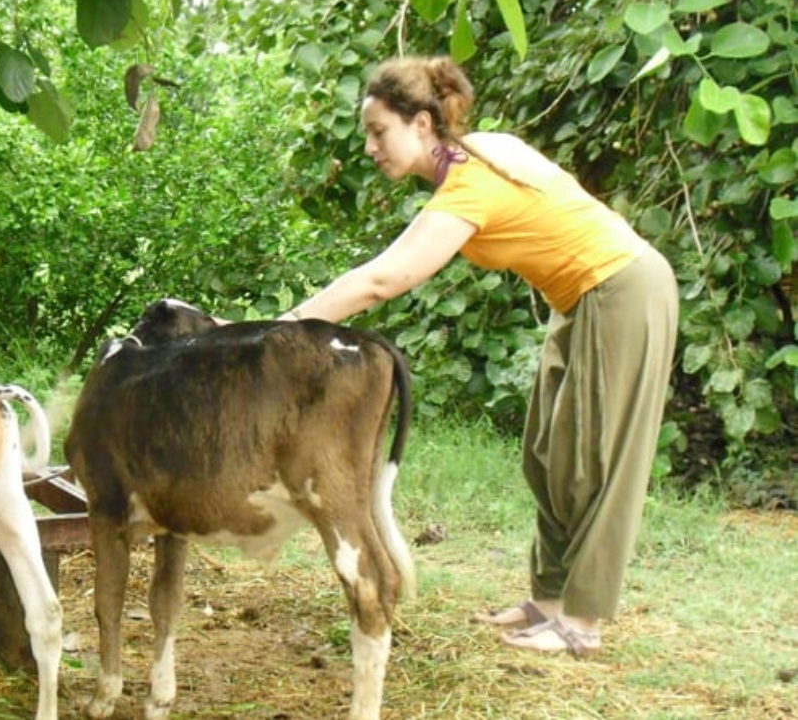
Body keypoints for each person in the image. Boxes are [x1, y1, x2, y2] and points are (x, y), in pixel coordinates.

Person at [278, 55, 679, 657]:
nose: (368, 147)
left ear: (420, 124)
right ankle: (547, 601)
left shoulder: (473, 177)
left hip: (621, 287)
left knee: (593, 460)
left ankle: (583, 623)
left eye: (378, 131)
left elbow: (383, 279)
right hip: (578, 297)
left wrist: (280, 329)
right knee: (546, 456)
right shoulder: (478, 157)